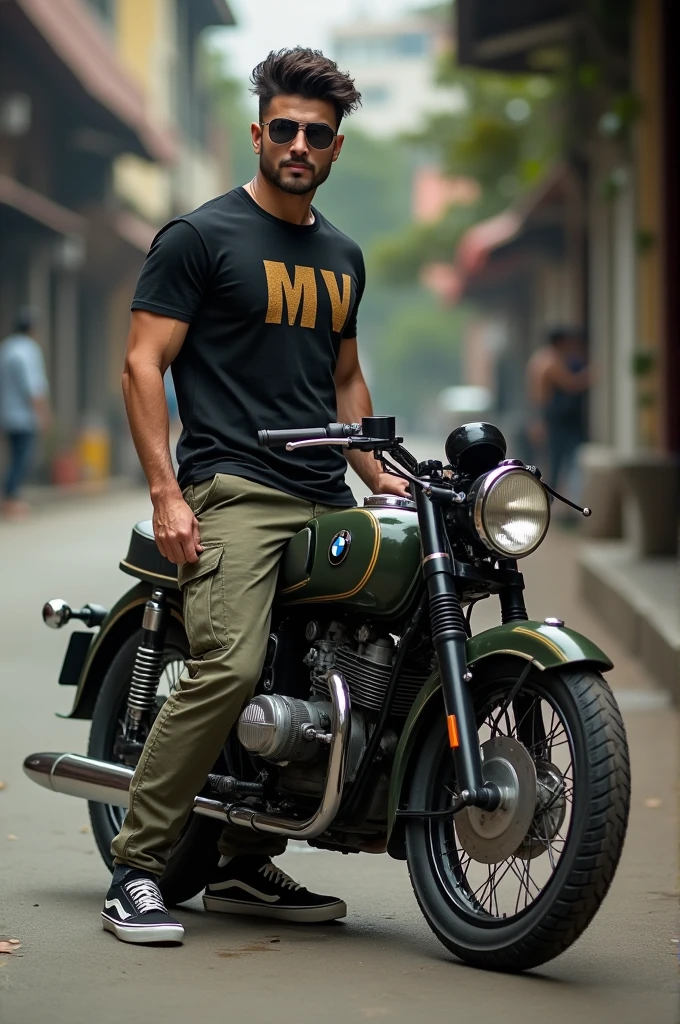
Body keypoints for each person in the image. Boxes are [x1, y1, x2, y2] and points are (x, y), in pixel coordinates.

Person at [102, 48, 409, 946]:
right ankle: (139, 867)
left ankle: (240, 863)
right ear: (258, 133)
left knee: (367, 646)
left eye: (317, 133)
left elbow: (345, 378)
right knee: (231, 668)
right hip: (235, 488)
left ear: (336, 146)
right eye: (285, 129)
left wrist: (382, 473)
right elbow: (141, 364)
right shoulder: (199, 238)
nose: (300, 144)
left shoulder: (343, 255)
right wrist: (168, 491)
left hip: (323, 494)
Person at [525, 325, 591, 494]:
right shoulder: (551, 360)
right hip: (552, 416)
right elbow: (571, 384)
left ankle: (549, 498)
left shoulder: (538, 358)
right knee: (557, 462)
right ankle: (551, 499)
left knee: (550, 460)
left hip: (542, 413)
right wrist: (590, 375)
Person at [0, 308, 50, 519]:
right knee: (22, 458)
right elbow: (34, 386)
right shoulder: (29, 350)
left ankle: (9, 498)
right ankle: (11, 499)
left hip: (6, 413)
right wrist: (43, 414)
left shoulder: (7, 348)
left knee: (13, 457)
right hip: (24, 416)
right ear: (32, 329)